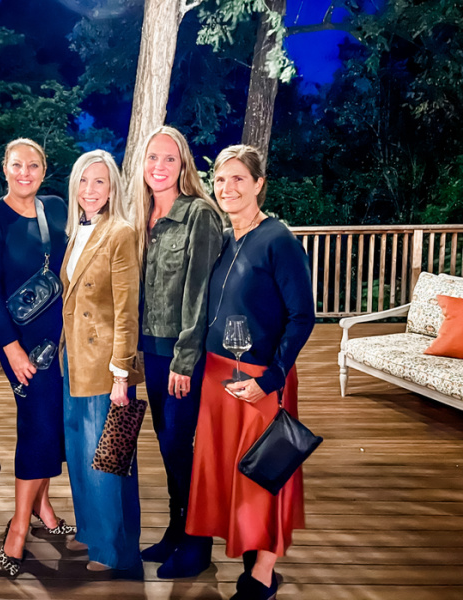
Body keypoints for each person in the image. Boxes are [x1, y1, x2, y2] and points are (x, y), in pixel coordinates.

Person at [185, 145, 315, 600]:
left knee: (266, 472)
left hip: (259, 381)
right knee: (234, 474)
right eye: (221, 180)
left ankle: (262, 573)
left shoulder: (277, 238)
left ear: (260, 183)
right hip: (220, 378)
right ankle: (250, 556)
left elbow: (303, 317)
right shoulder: (226, 238)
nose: (228, 188)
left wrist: (270, 380)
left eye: (239, 178)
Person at [0, 138, 72, 577]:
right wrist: (9, 349)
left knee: (55, 425)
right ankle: (17, 526)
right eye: (17, 165)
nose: (25, 172)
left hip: (64, 339)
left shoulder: (56, 208)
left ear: (44, 169)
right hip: (23, 345)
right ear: (5, 168)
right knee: (37, 426)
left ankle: (43, 506)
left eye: (33, 165)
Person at [128, 125, 224, 578]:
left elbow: (200, 293)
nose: (159, 167)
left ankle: (197, 543)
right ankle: (176, 530)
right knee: (168, 447)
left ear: (183, 164)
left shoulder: (199, 215)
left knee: (180, 445)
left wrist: (185, 358)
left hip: (181, 354)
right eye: (152, 158)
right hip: (150, 350)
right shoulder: (140, 218)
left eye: (169, 158)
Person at [60, 150, 144, 574]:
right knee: (78, 453)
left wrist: (121, 374)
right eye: (83, 181)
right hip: (71, 360)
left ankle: (111, 550)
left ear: (112, 189)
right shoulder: (78, 232)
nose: (90, 190)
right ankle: (90, 532)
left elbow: (127, 311)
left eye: (99, 182)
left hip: (103, 365)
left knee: (105, 457)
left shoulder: (120, 232)